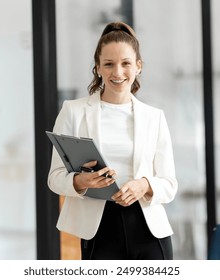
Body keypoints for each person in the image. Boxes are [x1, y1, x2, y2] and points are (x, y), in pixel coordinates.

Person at [48, 21, 178, 260]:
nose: (118, 73)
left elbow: (169, 184)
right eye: (109, 64)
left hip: (150, 231)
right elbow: (55, 178)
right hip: (98, 231)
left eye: (126, 63)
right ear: (97, 67)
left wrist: (144, 185)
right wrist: (81, 181)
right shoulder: (73, 112)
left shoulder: (154, 117)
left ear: (138, 66)